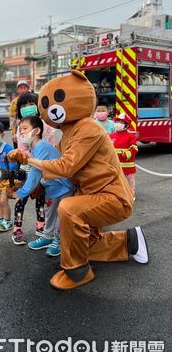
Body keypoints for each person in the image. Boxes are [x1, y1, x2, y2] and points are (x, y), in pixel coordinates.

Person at [28, 70, 148, 291]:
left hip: (111, 197)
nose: (53, 107)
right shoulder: (67, 135)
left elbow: (66, 166)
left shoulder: (88, 127)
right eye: (46, 102)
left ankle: (77, 272)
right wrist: (34, 185)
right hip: (90, 196)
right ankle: (130, 241)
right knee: (83, 245)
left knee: (68, 209)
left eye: (59, 98)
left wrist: (30, 160)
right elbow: (54, 165)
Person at [8, 116, 75, 251]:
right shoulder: (34, 148)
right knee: (49, 213)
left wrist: (20, 193)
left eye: (25, 129)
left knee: (63, 215)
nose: (21, 132)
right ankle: (47, 237)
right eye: (20, 130)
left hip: (64, 186)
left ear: (37, 131)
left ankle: (59, 240)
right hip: (52, 188)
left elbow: (35, 174)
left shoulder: (41, 146)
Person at [110, 113, 138, 199]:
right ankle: (118, 194)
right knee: (117, 180)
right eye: (117, 121)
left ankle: (131, 195)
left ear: (126, 125)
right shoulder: (111, 136)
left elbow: (134, 148)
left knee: (130, 180)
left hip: (128, 163)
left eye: (121, 122)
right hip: (116, 164)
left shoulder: (131, 136)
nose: (118, 123)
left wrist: (126, 154)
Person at [9, 80, 29, 149]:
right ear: (17, 90)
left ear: (28, 89)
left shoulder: (32, 99)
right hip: (20, 130)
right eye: (20, 88)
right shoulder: (14, 102)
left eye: (24, 88)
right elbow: (12, 118)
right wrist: (13, 133)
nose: (23, 90)